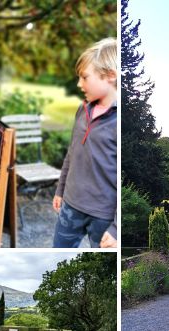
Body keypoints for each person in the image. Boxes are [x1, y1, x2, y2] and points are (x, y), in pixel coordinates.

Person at [53, 38, 117, 248]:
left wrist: (115, 229)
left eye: (85, 77)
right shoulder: (83, 110)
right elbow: (72, 153)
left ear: (110, 76)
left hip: (102, 218)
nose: (79, 84)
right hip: (70, 206)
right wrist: (60, 190)